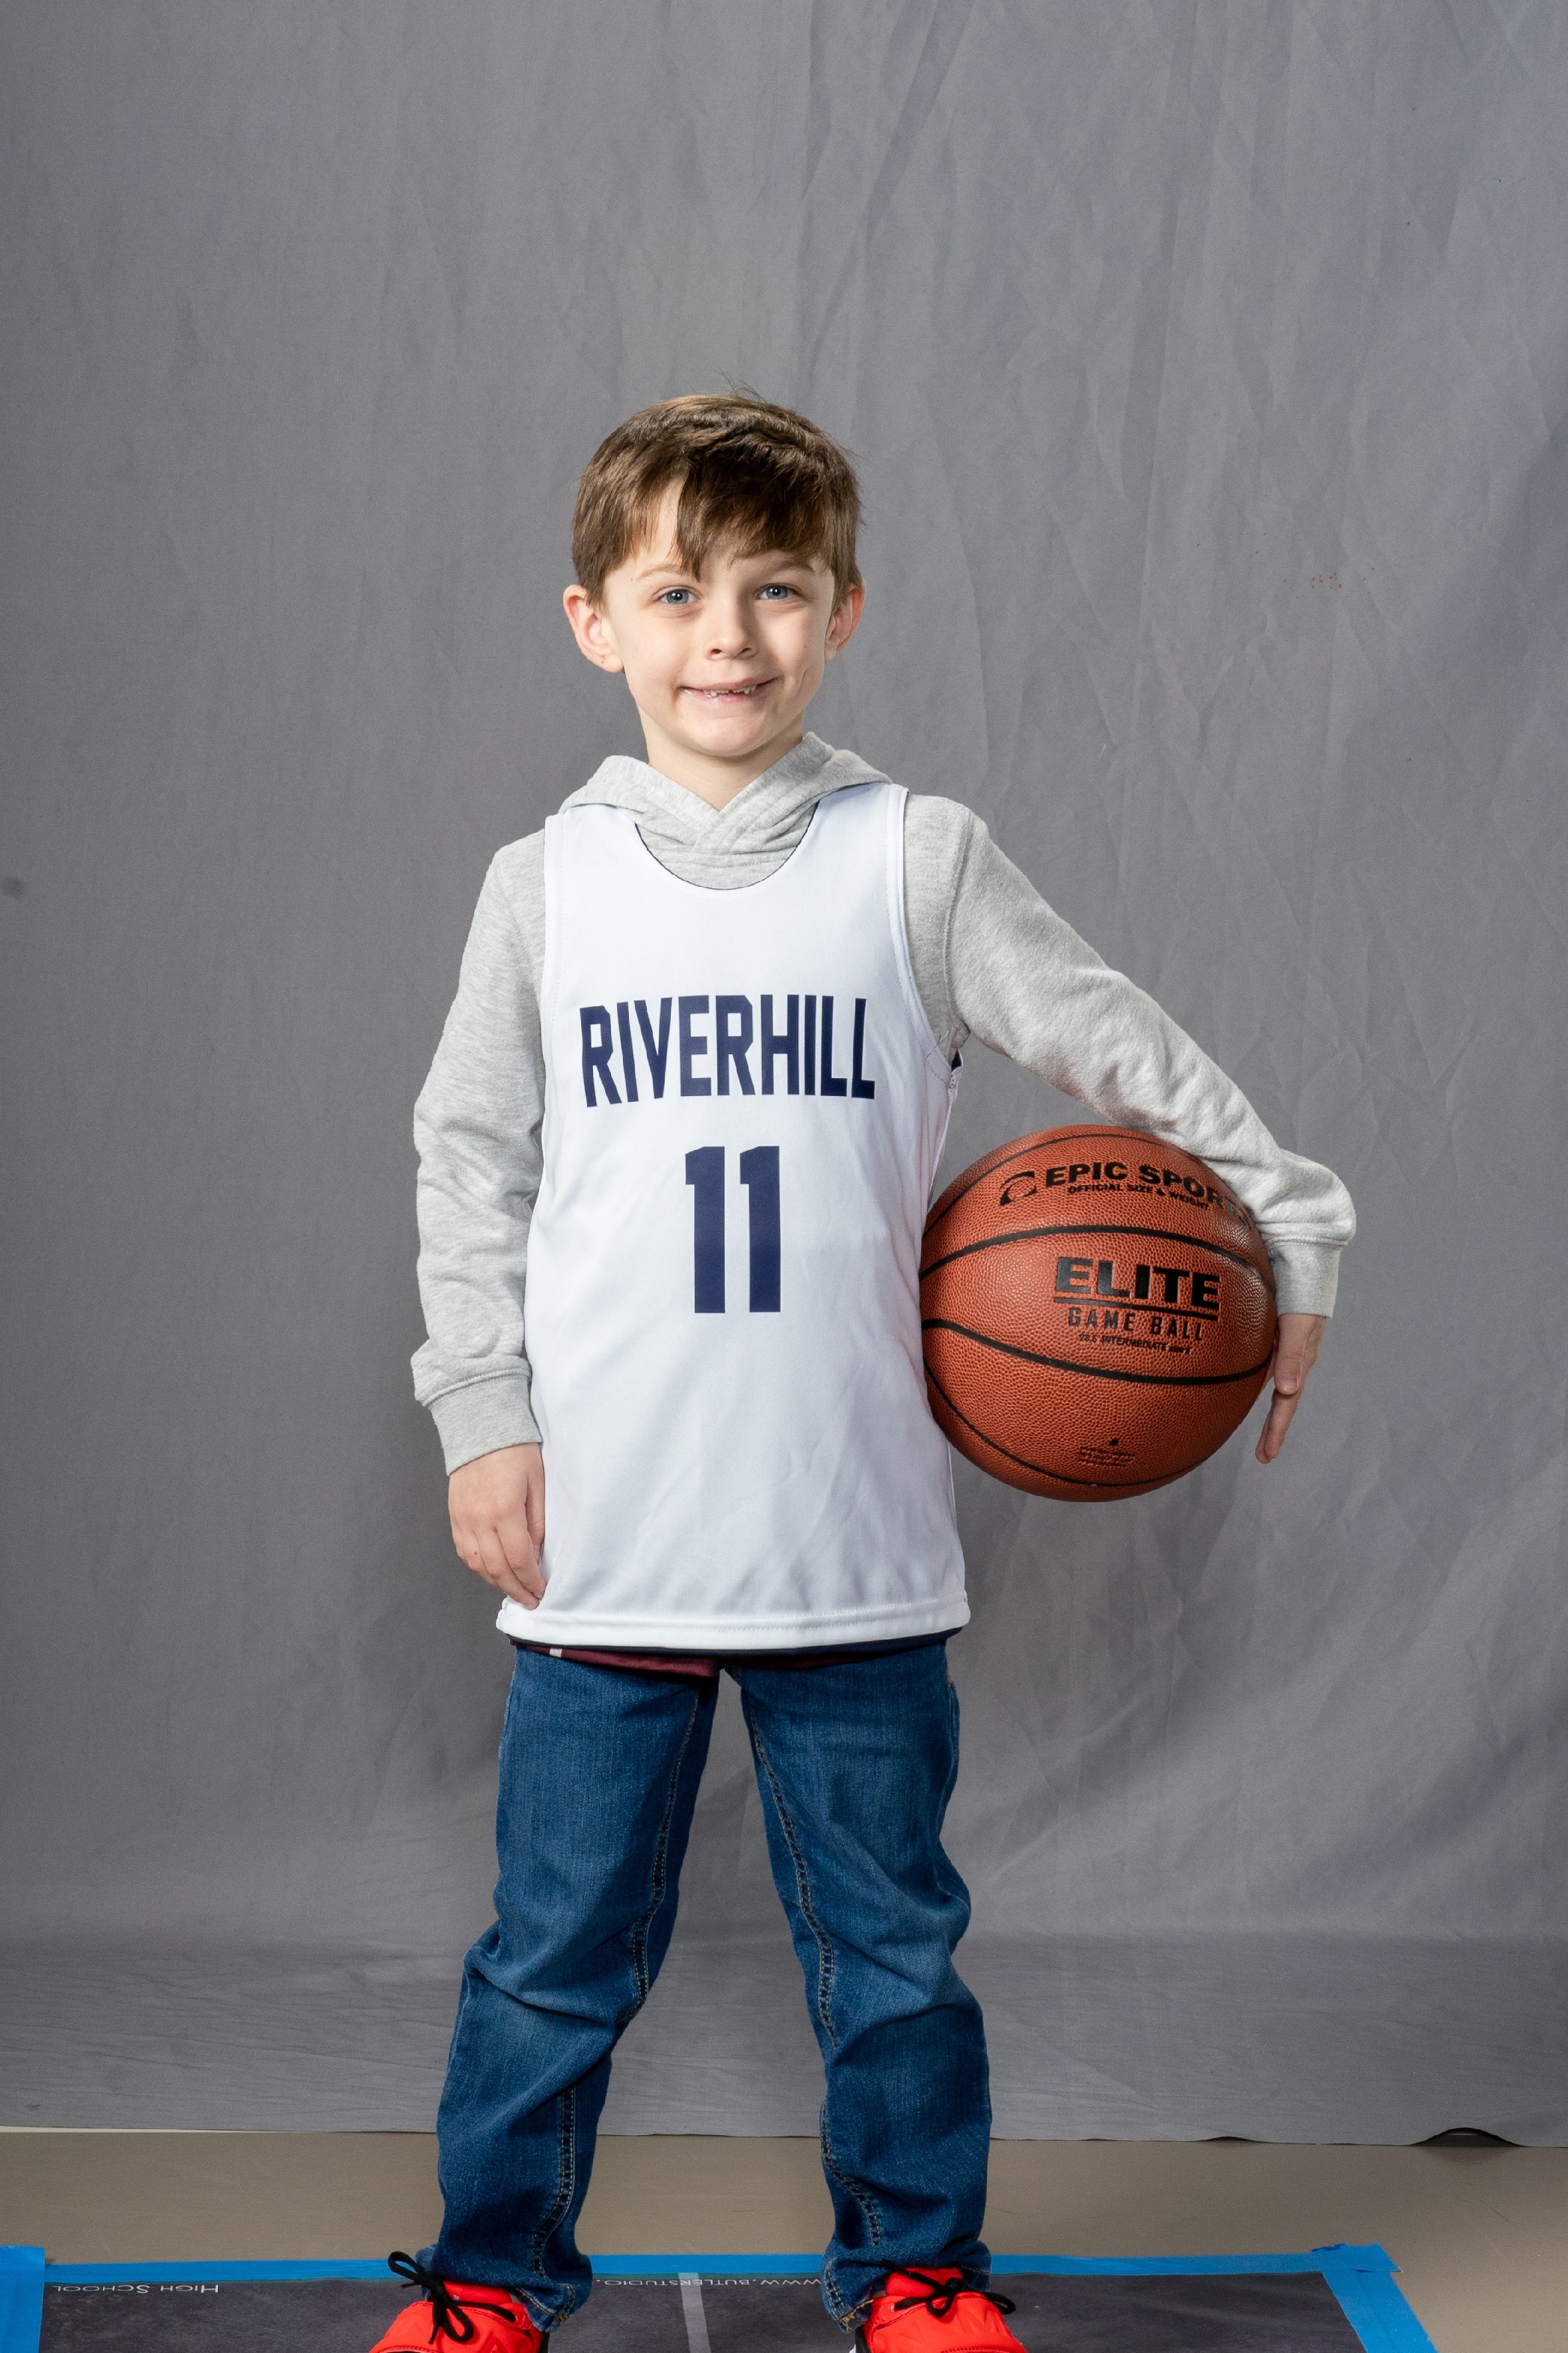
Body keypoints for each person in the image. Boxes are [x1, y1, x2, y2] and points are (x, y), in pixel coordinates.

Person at [371, 393, 1355, 2352]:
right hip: (606, 1532)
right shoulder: (544, 883)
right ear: (593, 621)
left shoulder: (916, 858)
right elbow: (466, 1164)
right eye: (677, 593)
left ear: (843, 612)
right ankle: (489, 2280)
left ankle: (914, 2272)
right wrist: (481, 1414)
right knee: (552, 1955)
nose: (726, 636)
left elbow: (1117, 1045)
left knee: (895, 1954)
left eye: (776, 589)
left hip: (852, 1536)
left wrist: (1290, 1216)